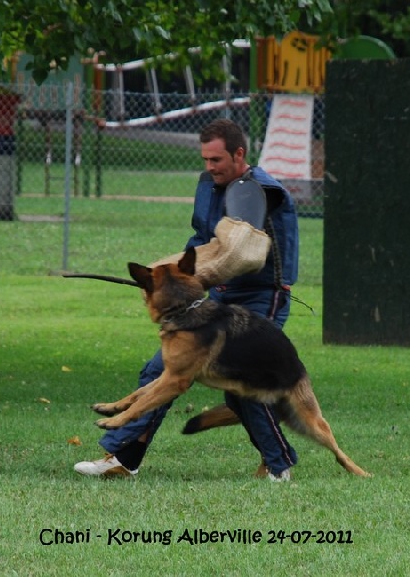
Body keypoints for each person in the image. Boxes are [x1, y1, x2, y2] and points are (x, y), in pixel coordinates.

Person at [74, 118, 300, 482]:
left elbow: (242, 249)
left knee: (246, 388)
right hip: (217, 298)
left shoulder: (263, 190)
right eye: (205, 159)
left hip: (261, 298)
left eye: (217, 160)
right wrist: (159, 278)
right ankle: (124, 459)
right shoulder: (208, 186)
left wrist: (196, 279)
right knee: (158, 371)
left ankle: (278, 464)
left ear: (239, 154)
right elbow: (200, 244)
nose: (210, 167)